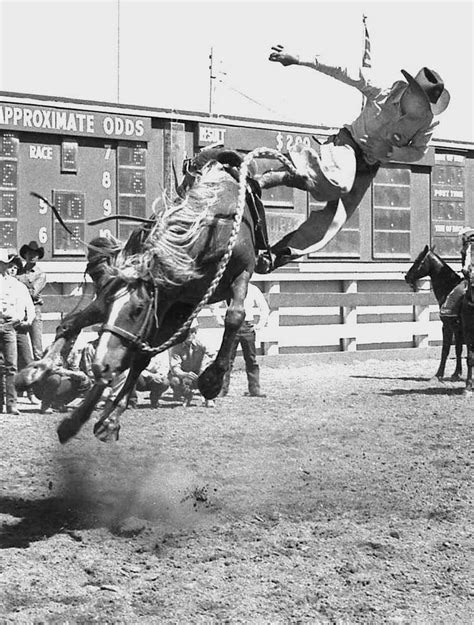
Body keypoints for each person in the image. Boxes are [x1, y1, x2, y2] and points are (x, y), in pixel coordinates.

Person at [256, 45, 450, 272]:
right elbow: (343, 71)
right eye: (422, 105)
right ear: (410, 92)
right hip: (348, 144)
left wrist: (394, 154)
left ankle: (277, 255)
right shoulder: (382, 91)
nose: (424, 112)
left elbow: (418, 151)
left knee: (335, 222)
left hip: (368, 166)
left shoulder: (427, 122)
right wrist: (299, 59)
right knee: (340, 183)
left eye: (429, 108)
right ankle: (280, 176)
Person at [213, 282, 270, 397]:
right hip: (232, 326)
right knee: (227, 359)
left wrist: (259, 325)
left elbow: (264, 308)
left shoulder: (253, 289)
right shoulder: (229, 288)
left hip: (247, 327)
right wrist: (219, 320)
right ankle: (222, 390)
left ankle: (255, 389)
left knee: (251, 359)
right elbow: (214, 306)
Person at [0, 249, 36, 414]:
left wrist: (18, 318)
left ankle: (12, 404)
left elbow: (23, 304)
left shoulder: (16, 284)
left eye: (5, 263)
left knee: (11, 365)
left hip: (9, 326)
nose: (4, 266)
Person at [168, 320, 216, 407]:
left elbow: (213, 356)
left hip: (200, 371)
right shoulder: (176, 346)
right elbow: (175, 367)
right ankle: (186, 395)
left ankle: (209, 398)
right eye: (186, 332)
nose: (189, 334)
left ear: (196, 332)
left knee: (212, 374)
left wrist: (204, 368)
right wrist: (184, 374)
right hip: (185, 373)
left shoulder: (203, 342)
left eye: (192, 331)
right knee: (175, 381)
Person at [17, 240, 47, 359]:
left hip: (34, 310)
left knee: (37, 347)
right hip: (19, 310)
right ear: (25, 255)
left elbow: (33, 293)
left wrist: (17, 290)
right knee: (19, 343)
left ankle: (39, 375)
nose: (32, 256)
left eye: (35, 254)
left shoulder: (40, 274)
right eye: (29, 253)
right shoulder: (18, 271)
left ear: (38, 256)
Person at [439, 228, 474, 317]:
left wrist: (465, 270)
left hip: (470, 277)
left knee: (456, 292)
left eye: (462, 237)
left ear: (465, 236)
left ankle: (450, 313)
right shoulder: (468, 246)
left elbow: (467, 263)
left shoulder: (469, 246)